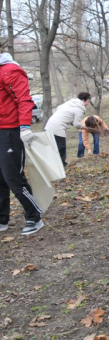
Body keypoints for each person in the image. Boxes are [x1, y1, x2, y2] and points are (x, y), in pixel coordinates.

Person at [0, 50, 43, 236]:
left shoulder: (10, 70)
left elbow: (25, 100)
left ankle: (34, 216)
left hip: (10, 131)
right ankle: (2, 220)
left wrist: (25, 126)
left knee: (13, 178)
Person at [45, 92, 91, 166]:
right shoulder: (79, 108)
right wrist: (83, 126)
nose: (88, 104)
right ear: (84, 100)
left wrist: (68, 120)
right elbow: (76, 124)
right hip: (57, 127)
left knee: (54, 147)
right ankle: (61, 165)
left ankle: (55, 164)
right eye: (88, 101)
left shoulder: (71, 103)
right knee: (61, 147)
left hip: (49, 125)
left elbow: (58, 108)